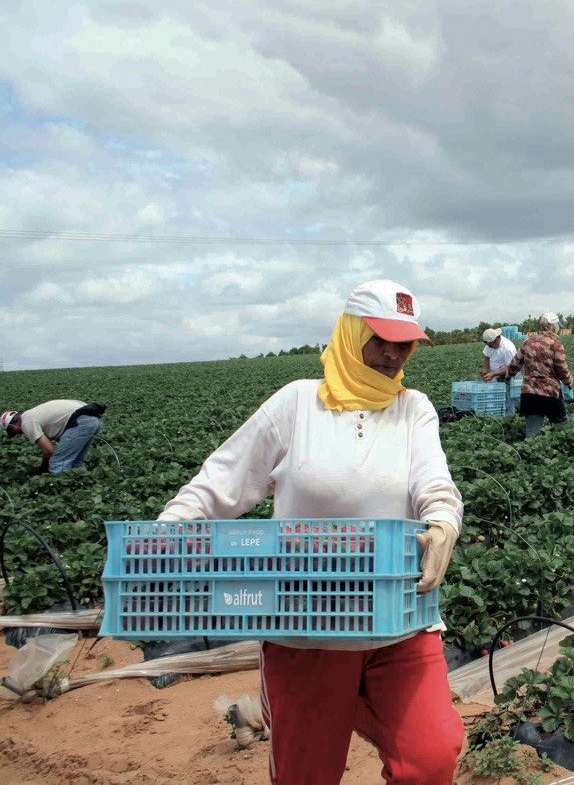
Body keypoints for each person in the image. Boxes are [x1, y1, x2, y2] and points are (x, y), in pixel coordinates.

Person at [155, 279, 464, 784]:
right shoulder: (298, 405)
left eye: (403, 342)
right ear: (349, 332)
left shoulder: (414, 408)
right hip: (307, 624)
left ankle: (360, 700)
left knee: (431, 757)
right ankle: (344, 701)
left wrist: (444, 522)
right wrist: (165, 536)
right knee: (307, 774)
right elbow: (220, 483)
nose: (391, 354)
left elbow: (436, 482)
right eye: (379, 338)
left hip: (398, 619)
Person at [505, 312, 574, 438]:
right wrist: (569, 382)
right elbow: (562, 370)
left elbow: (514, 364)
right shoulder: (555, 344)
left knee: (532, 433)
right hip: (549, 393)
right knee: (562, 429)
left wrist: (508, 376)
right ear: (554, 327)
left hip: (529, 393)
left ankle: (531, 455)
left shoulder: (527, 342)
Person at [2, 401, 106, 474]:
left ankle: (64, 496)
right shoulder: (30, 414)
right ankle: (78, 486)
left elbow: (49, 450)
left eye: (12, 432)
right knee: (76, 461)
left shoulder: (26, 423)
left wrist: (43, 467)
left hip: (81, 421)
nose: (16, 434)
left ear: (12, 426)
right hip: (95, 418)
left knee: (57, 463)